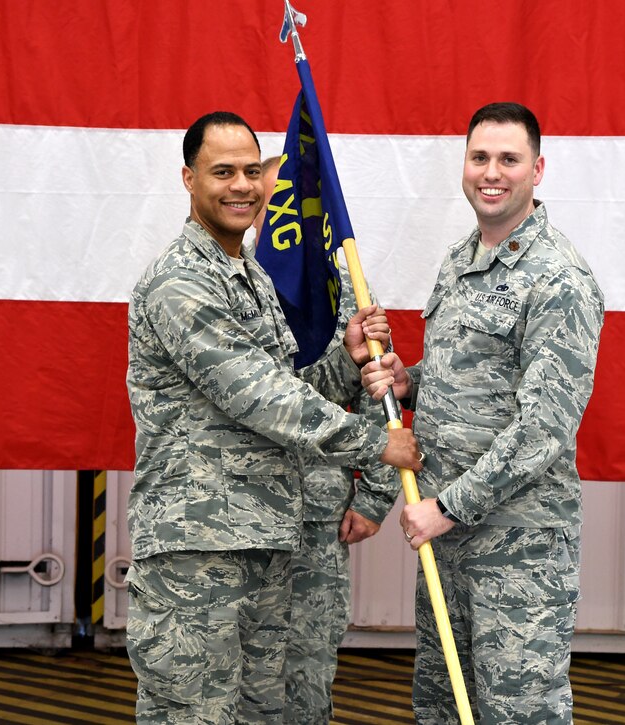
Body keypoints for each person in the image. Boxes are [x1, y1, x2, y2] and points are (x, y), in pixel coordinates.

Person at [125, 111, 421, 725]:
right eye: (222, 171)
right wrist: (373, 444)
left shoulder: (251, 276)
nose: (242, 185)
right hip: (198, 549)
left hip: (265, 538)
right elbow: (257, 395)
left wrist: (347, 358)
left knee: (270, 712)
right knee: (193, 714)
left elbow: (288, 386)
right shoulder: (181, 282)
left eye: (251, 171)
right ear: (188, 178)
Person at [361, 102, 605, 724]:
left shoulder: (559, 278)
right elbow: (466, 388)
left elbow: (543, 428)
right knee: (444, 709)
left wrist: (445, 509)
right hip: (446, 541)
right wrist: (406, 382)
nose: (490, 172)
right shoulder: (459, 261)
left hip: (516, 546)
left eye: (508, 159)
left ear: (537, 169)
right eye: (479, 158)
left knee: (517, 712)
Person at [253, 156, 402, 724]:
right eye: (274, 205)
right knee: (240, 671)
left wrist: (373, 499)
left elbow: (380, 395)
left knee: (305, 673)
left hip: (318, 517)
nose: (282, 218)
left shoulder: (346, 293)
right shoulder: (232, 291)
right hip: (243, 511)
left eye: (295, 206)